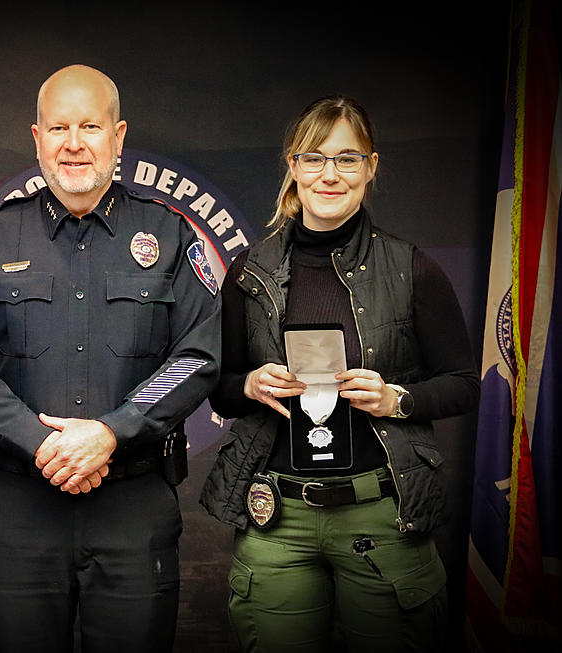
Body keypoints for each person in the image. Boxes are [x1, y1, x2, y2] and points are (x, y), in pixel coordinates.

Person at [0, 64, 221, 653]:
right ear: (36, 138)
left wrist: (112, 433)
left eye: (91, 126)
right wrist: (41, 442)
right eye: (58, 126)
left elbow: (199, 353)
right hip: (19, 509)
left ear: (118, 137)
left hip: (132, 508)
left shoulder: (169, 234)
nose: (73, 143)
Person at [200, 95, 480, 652]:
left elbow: (464, 383)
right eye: (314, 158)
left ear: (371, 168)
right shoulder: (249, 273)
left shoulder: (411, 268)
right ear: (293, 166)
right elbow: (223, 389)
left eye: (347, 159)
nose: (330, 174)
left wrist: (396, 399)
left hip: (383, 516)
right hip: (278, 517)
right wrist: (250, 385)